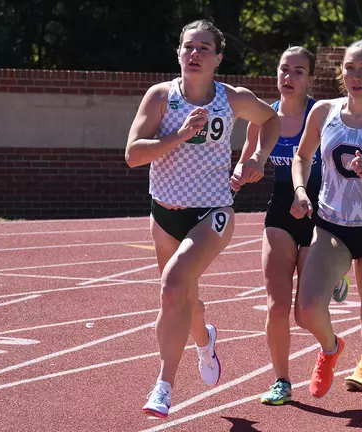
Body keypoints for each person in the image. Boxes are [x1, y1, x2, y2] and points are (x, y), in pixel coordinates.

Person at [125, 20, 281, 418]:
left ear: (218, 58)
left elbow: (271, 121)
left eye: (204, 48)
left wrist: (255, 160)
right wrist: (178, 135)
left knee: (173, 285)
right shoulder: (160, 97)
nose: (195, 54)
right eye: (188, 47)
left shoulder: (231, 99)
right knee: (183, 296)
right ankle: (205, 339)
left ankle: (163, 385)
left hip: (212, 212)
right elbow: (133, 154)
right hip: (164, 214)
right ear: (178, 53)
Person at [235, 46, 351, 406]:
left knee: (306, 310)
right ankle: (282, 381)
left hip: (320, 215)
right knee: (276, 306)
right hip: (280, 214)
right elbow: (246, 161)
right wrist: (241, 175)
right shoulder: (264, 117)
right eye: (284, 70)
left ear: (310, 78)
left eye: (298, 72)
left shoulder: (322, 115)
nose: (289, 77)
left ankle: (331, 335)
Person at [289, 39, 362, 431]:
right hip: (331, 224)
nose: (355, 76)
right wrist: (300, 189)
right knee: (306, 310)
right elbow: (301, 156)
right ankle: (330, 347)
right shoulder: (323, 112)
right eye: (349, 68)